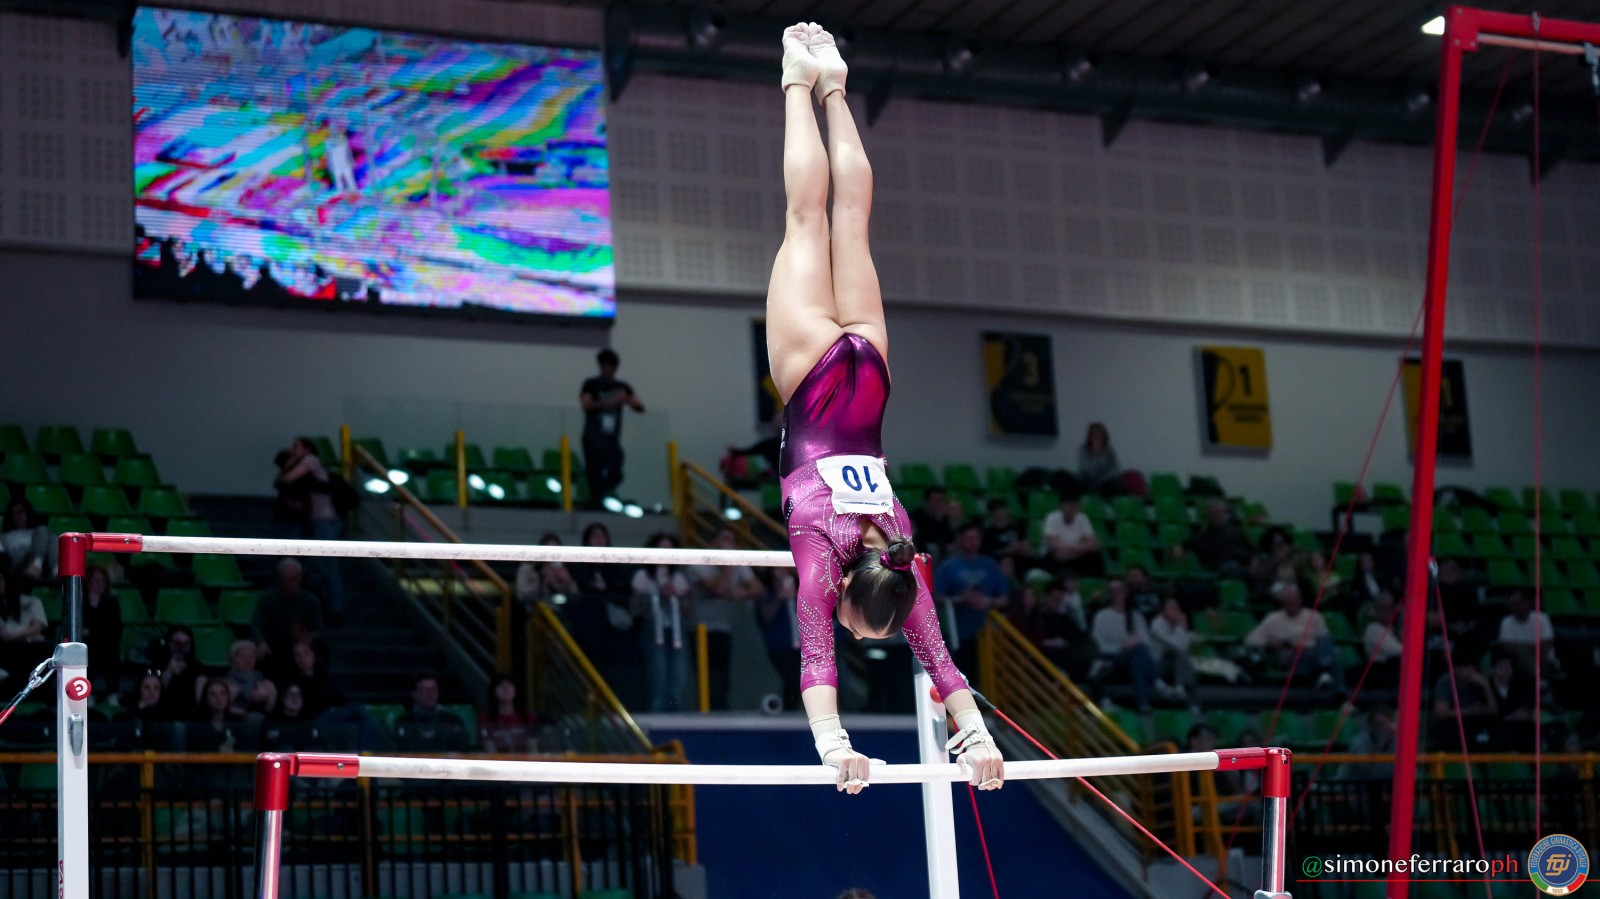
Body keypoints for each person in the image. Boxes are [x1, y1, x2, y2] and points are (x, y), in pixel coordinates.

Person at [768, 22, 1002, 794]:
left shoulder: (900, 547)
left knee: (850, 221)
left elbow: (940, 660)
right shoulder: (820, 552)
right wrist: (833, 747)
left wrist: (978, 738)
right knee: (808, 218)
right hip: (812, 376)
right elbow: (817, 658)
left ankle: (836, 85)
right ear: (842, 592)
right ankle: (798, 79)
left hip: (869, 374)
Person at [689, 528, 766, 710]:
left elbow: (759, 589)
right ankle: (705, 712)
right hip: (701, 628)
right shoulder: (698, 563)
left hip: (724, 627)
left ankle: (719, 711)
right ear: (713, 542)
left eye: (731, 540)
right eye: (724, 539)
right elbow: (719, 589)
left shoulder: (737, 562)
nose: (728, 544)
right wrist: (729, 563)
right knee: (706, 675)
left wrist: (743, 593)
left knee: (722, 674)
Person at [273, 438, 345, 620]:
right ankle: (326, 606)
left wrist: (291, 464)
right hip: (312, 522)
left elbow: (288, 479)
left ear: (307, 449)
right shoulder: (301, 464)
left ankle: (336, 609)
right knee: (314, 567)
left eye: (296, 446)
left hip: (325, 520)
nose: (292, 449)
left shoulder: (310, 460)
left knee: (327, 565)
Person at [933, 522, 1010, 676]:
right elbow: (936, 598)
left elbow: (1004, 598)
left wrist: (988, 601)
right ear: (960, 540)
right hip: (958, 634)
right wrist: (962, 599)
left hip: (987, 633)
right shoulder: (949, 567)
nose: (973, 542)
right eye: (968, 538)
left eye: (976, 538)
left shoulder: (990, 565)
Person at [1243, 581, 1346, 694]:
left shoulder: (1314, 616)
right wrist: (1270, 642)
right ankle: (1326, 675)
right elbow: (1250, 640)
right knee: (1332, 658)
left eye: (1293, 600)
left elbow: (1324, 640)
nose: (1291, 603)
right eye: (1287, 601)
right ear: (1283, 602)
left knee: (1325, 642)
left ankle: (1327, 675)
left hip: (1312, 652)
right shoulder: (1272, 619)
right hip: (1291, 657)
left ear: (1300, 600)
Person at [633, 533, 693, 712]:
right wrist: (653, 596)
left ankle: (676, 715)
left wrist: (677, 596)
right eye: (662, 548)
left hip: (676, 631)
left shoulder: (679, 578)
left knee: (679, 675)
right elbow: (634, 609)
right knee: (657, 675)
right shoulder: (643, 576)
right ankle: (655, 714)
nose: (666, 552)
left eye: (669, 548)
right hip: (653, 629)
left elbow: (688, 611)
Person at [579, 349, 644, 505]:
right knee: (594, 471)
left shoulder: (622, 386)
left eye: (609, 366)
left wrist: (626, 400)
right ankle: (597, 500)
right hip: (593, 436)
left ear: (615, 368)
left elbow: (640, 406)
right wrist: (611, 402)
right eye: (604, 365)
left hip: (611, 437)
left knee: (616, 471)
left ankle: (601, 495)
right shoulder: (591, 384)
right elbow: (586, 404)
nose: (606, 369)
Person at [1090, 579, 1157, 712]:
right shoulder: (1101, 616)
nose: (1117, 594)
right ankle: (1156, 683)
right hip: (1112, 660)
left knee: (1138, 656)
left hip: (1134, 660)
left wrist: (1134, 642)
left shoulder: (1135, 616)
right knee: (1138, 651)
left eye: (1120, 590)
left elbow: (1146, 640)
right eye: (1113, 591)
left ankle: (1143, 704)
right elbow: (1099, 644)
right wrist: (1123, 647)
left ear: (1126, 593)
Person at [252, 558, 325, 679]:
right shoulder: (267, 599)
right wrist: (260, 641)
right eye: (287, 578)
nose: (291, 582)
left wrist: (308, 638)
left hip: (299, 645)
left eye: (294, 578)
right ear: (280, 578)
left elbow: (319, 629)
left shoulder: (311, 601)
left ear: (300, 578)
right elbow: (257, 624)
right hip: (273, 645)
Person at [758, 572, 804, 711]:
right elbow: (766, 615)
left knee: (799, 679)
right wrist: (779, 597)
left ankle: (793, 710)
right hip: (780, 646)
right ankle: (789, 710)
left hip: (802, 647)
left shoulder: (803, 593)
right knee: (791, 677)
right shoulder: (767, 594)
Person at [394, 672, 470, 753]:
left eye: (433, 689)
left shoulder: (452, 722)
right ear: (415, 694)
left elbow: (462, 750)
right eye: (424, 690)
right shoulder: (403, 722)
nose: (430, 694)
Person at [0, 570, 48, 693]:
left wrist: (14, 634)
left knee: (42, 649)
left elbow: (37, 627)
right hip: (6, 650)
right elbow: (4, 635)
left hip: (30, 648)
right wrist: (27, 632)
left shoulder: (33, 602)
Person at [79, 566, 123, 695]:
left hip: (106, 643)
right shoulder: (80, 602)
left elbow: (114, 628)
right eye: (96, 580)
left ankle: (113, 693)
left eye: (103, 580)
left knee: (111, 648)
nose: (100, 584)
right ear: (89, 582)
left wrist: (94, 631)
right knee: (88, 650)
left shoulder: (112, 603)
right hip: (87, 644)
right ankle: (87, 693)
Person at [1149, 598, 1199, 707]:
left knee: (1184, 660)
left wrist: (1186, 633)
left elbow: (1191, 639)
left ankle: (1181, 689)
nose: (1175, 611)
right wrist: (1181, 626)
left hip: (1173, 662)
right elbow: (1180, 646)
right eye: (1171, 607)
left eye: (1176, 608)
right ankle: (1186, 695)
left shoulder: (1173, 624)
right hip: (1157, 664)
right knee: (1181, 656)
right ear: (1163, 610)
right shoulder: (1156, 625)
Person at [1497, 590, 1558, 679]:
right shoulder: (1506, 621)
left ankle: (1538, 677)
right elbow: (1507, 647)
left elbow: (1545, 645)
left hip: (1544, 660)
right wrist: (1531, 648)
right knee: (1522, 655)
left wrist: (1522, 647)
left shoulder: (1542, 618)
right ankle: (1538, 679)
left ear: (1527, 603)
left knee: (1527, 653)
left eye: (1518, 604)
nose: (1514, 608)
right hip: (1518, 662)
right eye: (1512, 605)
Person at [1042, 492, 1103, 576]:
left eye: (1074, 506)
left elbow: (1094, 544)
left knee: (1095, 557)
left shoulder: (1083, 518)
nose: (1071, 509)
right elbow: (1053, 544)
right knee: (1055, 557)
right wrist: (1082, 548)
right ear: (1061, 506)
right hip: (1058, 556)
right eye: (1069, 506)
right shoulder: (1052, 517)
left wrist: (1074, 551)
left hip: (1075, 554)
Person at [1187, 500, 1252, 578]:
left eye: (1222, 512)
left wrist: (1254, 561)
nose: (1219, 516)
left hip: (1243, 562)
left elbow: (1251, 549)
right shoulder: (1205, 535)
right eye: (1215, 514)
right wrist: (1181, 546)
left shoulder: (1237, 531)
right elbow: (1191, 543)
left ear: (1228, 515)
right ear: (1210, 517)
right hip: (1223, 565)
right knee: (1231, 567)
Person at [1336, 706, 1397, 780]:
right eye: (1380, 724)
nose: (1385, 728)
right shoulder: (1360, 741)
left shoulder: (1396, 741)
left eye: (1388, 723)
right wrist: (1382, 741)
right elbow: (1370, 770)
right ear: (1371, 725)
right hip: (1351, 783)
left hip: (1384, 784)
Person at [479, 673, 535, 753]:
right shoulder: (486, 719)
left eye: (510, 685)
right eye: (501, 685)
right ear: (494, 691)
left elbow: (533, 746)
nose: (506, 688)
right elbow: (488, 747)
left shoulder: (527, 716)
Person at [223, 639, 278, 719]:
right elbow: (250, 695)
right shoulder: (229, 679)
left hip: (259, 716)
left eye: (251, 657)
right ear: (234, 660)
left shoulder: (258, 676)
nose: (248, 660)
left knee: (269, 685)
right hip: (235, 718)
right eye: (242, 657)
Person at [1, 499, 50, 586]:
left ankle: (37, 567)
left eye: (21, 512)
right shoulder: (5, 536)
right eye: (15, 513)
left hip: (36, 565)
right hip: (16, 566)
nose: (18, 516)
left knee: (45, 532)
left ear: (27, 513)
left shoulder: (37, 532)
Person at [908, 488, 959, 561]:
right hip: (921, 549)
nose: (940, 504)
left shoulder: (945, 517)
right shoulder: (917, 516)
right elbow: (920, 538)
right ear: (927, 502)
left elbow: (949, 538)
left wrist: (945, 519)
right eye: (937, 500)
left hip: (941, 550)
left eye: (942, 500)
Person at [978, 498, 1027, 563]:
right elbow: (988, 553)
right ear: (991, 513)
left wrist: (1023, 548)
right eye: (997, 510)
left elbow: (1025, 546)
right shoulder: (988, 532)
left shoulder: (1017, 528)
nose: (1000, 512)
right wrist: (1008, 550)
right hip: (998, 562)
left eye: (1002, 509)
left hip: (1019, 560)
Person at [1078, 422, 1122, 495]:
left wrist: (1103, 476)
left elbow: (1115, 470)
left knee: (1116, 483)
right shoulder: (1084, 451)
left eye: (1099, 434)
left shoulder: (1109, 451)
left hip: (1105, 482)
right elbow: (1085, 469)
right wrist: (1096, 455)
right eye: (1094, 434)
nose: (1096, 437)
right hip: (1089, 481)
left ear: (1104, 436)